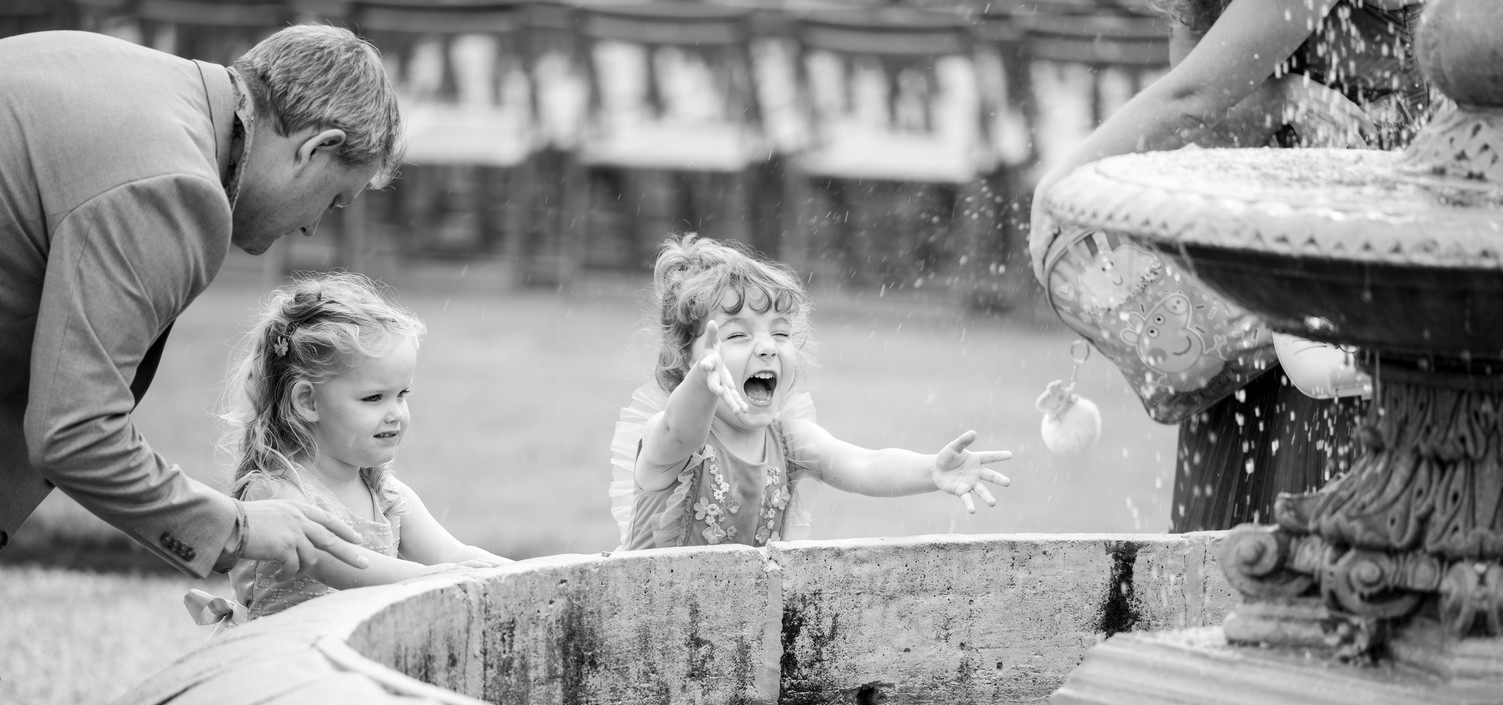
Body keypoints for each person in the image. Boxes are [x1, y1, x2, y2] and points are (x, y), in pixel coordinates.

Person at [0, 24, 406, 579]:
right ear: (316, 148)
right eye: (334, 199)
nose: (312, 227)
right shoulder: (176, 187)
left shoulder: (124, 75)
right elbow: (72, 432)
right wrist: (236, 527)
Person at [1028, 0, 1431, 531]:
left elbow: (1191, 101)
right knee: (1241, 536)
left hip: (1363, 271)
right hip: (1257, 294)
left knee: (1320, 533)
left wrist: (1057, 188)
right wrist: (1282, 99)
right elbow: (1210, 123)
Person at [610, 234, 1012, 551]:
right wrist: (702, 381)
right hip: (653, 624)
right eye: (736, 335)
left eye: (780, 332)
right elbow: (680, 428)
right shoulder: (669, 442)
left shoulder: (788, 441)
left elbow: (866, 464)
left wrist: (932, 470)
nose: (767, 347)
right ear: (685, 359)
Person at [220, 273, 510, 619]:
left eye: (401, 394)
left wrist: (517, 574)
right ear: (308, 402)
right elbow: (340, 564)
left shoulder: (386, 495)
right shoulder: (278, 492)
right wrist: (432, 578)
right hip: (284, 649)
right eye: (374, 398)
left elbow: (454, 554)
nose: (396, 414)